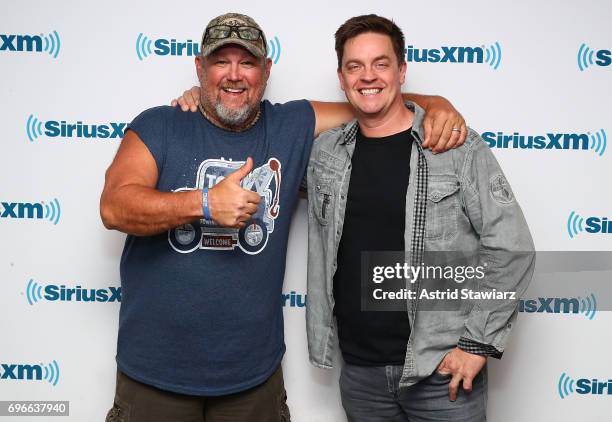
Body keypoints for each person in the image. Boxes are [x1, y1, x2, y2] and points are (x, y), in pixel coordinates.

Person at [101, 13, 466, 422]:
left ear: (267, 70)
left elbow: (375, 105)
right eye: (221, 62)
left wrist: (438, 104)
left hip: (252, 376)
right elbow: (115, 206)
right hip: (155, 373)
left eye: (248, 62)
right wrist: (203, 203)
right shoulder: (161, 125)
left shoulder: (291, 123)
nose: (234, 75)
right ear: (200, 69)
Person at [304, 14, 535, 422]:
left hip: (441, 372)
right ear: (341, 78)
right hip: (360, 374)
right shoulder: (326, 155)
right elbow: (257, 128)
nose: (367, 76)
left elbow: (511, 247)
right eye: (354, 66)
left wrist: (477, 344)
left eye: (381, 63)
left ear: (402, 70)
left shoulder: (454, 147)